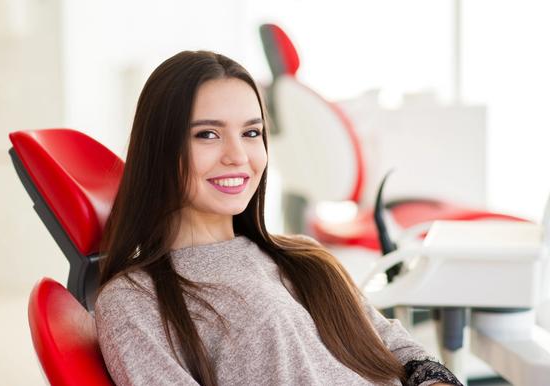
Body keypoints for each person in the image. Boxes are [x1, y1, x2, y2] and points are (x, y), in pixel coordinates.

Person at [95, 50, 462, 386]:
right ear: (159, 149)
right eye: (207, 134)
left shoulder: (306, 257)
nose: (238, 155)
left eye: (251, 133)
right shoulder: (135, 301)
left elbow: (403, 352)